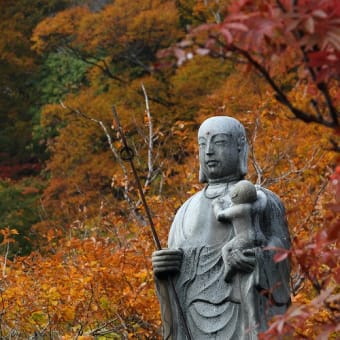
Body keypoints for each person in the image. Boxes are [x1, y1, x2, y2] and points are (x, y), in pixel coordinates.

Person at [152, 116, 291, 340]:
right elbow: (175, 272)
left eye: (219, 142)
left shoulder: (263, 199)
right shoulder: (185, 211)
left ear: (240, 147)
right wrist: (163, 270)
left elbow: (282, 253)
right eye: (202, 144)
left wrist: (256, 258)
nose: (208, 152)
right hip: (193, 315)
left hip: (244, 313)